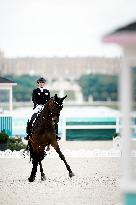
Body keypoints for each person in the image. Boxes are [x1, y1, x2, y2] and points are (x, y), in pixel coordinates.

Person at [25, 77, 60, 141]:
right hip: (38, 107)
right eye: (40, 83)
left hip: (46, 107)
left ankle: (56, 135)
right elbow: (34, 99)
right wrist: (37, 105)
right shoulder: (35, 91)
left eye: (42, 83)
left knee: (54, 119)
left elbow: (49, 100)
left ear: (44, 84)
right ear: (38, 83)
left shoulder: (47, 91)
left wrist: (48, 106)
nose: (41, 84)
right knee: (30, 118)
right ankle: (28, 134)